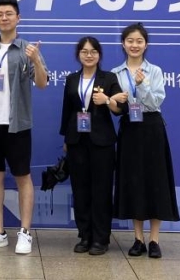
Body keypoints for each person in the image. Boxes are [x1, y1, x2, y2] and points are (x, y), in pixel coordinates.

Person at [0, 0, 48, 255]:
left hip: (17, 125)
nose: (4, 18)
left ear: (18, 18)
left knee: (22, 176)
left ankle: (25, 233)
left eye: (9, 13)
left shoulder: (27, 49)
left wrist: (36, 60)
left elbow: (42, 83)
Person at [111, 23, 180, 259]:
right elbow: (117, 107)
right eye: (130, 41)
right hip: (130, 129)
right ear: (123, 44)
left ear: (146, 44)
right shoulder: (116, 73)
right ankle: (138, 238)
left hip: (152, 128)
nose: (134, 45)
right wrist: (113, 100)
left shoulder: (155, 71)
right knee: (134, 181)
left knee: (155, 181)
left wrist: (141, 86)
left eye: (139, 41)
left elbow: (155, 102)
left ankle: (154, 240)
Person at [58, 36, 121, 256]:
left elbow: (120, 109)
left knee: (101, 190)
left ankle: (101, 239)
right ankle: (84, 236)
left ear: (99, 55)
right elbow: (67, 111)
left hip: (102, 142)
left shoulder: (109, 78)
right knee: (80, 190)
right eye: (84, 51)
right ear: (78, 55)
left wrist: (107, 100)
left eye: (93, 51)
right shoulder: (72, 79)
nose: (89, 55)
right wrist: (66, 139)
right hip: (76, 141)